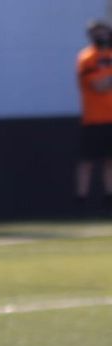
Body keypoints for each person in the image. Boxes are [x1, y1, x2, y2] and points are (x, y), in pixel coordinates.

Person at [77, 19, 112, 213]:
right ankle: (81, 199)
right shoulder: (87, 57)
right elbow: (99, 86)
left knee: (110, 161)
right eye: (97, 33)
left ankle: (109, 196)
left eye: (104, 32)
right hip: (93, 118)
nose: (102, 36)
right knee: (87, 161)